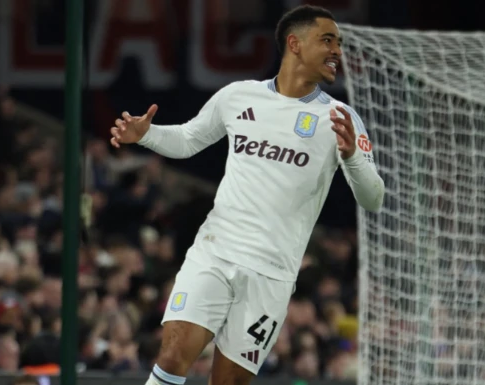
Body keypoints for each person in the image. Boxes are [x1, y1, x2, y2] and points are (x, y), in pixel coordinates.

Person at [109, 5, 384, 385]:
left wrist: (353, 156)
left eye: (339, 42)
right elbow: (189, 139)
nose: (337, 50)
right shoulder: (239, 96)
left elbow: (373, 198)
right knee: (173, 353)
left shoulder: (340, 118)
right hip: (215, 250)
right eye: (327, 40)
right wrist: (147, 135)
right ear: (295, 44)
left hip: (272, 273)